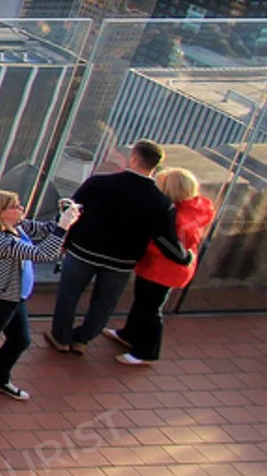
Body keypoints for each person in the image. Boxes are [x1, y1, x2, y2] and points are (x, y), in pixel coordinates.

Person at [49, 140, 191, 354]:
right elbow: (166, 240)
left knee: (69, 294)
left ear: (133, 158)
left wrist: (64, 241)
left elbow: (70, 212)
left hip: (83, 251)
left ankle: (61, 338)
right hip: (122, 261)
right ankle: (83, 339)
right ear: (156, 165)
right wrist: (185, 257)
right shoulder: (161, 203)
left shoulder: (98, 183)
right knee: (104, 303)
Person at [0, 189, 74, 401]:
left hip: (16, 296)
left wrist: (61, 216)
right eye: (15, 207)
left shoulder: (16, 226)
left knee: (20, 340)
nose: (21, 209)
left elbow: (45, 230)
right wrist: (63, 226)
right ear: (0, 212)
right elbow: (43, 253)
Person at [106, 167, 213, 366]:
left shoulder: (176, 219)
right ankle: (129, 334)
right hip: (166, 269)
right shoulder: (196, 209)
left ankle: (146, 351)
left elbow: (162, 245)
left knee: (150, 309)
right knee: (143, 304)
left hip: (161, 270)